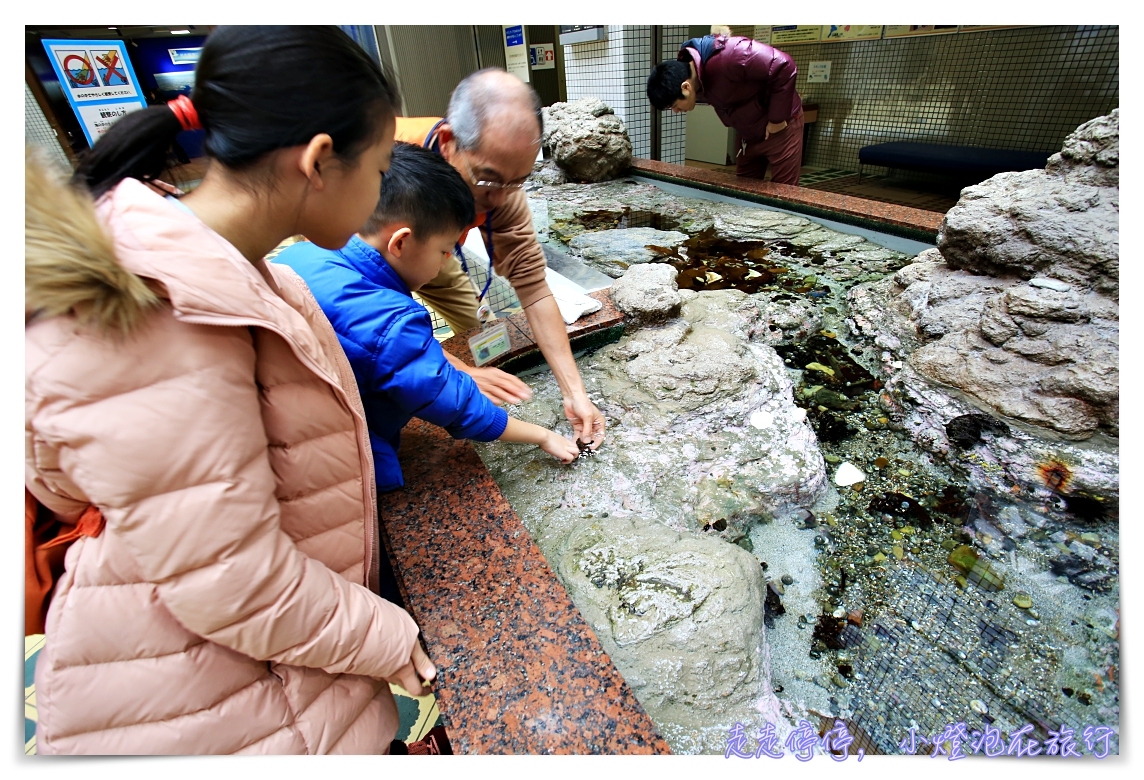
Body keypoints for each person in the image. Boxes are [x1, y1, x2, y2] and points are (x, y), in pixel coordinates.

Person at [25, 26, 433, 755]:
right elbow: (236, 584)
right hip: (205, 709)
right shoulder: (171, 313)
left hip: (250, 679)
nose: (380, 193)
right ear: (317, 161)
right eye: (376, 169)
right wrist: (390, 634)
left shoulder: (232, 271)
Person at [274, 141, 580, 500]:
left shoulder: (305, 251)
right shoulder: (389, 320)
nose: (446, 260)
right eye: (444, 250)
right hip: (347, 458)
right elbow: (457, 406)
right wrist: (543, 435)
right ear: (401, 242)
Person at [393, 69, 607, 451]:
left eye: (518, 181)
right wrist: (454, 371)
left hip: (439, 250)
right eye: (489, 179)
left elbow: (534, 288)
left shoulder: (503, 187)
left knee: (473, 326)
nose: (501, 197)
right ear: (448, 143)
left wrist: (575, 391)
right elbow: (373, 315)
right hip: (381, 258)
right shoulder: (381, 167)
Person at [647, 33, 805, 185]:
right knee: (743, 190)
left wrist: (777, 119)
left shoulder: (733, 54)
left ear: (686, 87)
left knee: (784, 194)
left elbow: (784, 65)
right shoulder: (696, 78)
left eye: (674, 106)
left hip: (781, 127)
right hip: (747, 133)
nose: (676, 111)